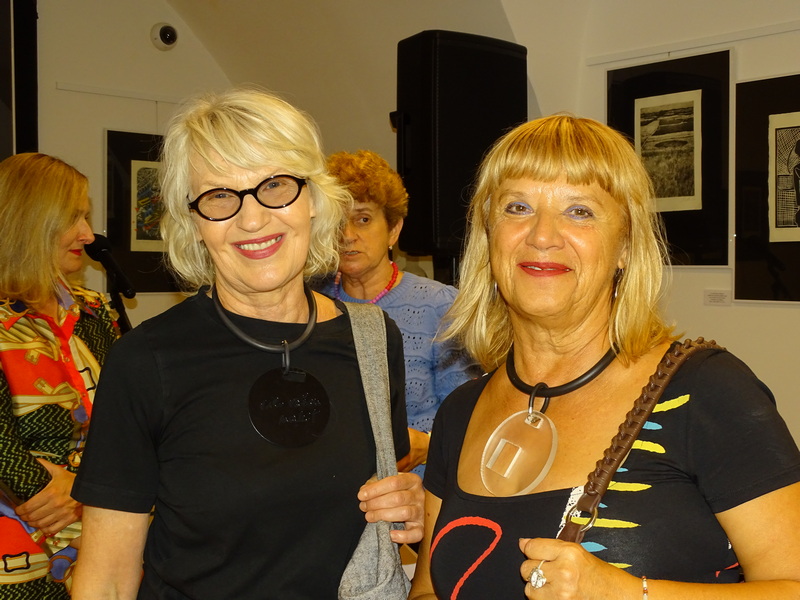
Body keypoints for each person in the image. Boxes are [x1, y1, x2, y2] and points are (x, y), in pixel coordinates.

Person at [409, 115, 800, 599]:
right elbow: (427, 590)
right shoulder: (461, 413)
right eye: (518, 207)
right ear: (489, 236)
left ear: (625, 247)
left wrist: (627, 593)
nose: (542, 235)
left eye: (579, 211)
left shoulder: (706, 392)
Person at [70, 87, 424, 600]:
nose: (252, 219)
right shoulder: (146, 362)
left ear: (314, 199)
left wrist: (408, 504)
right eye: (219, 196)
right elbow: (106, 579)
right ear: (193, 222)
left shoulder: (372, 340)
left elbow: (373, 502)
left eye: (275, 185)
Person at [316, 150, 481, 474]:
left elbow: (470, 418)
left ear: (393, 229)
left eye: (363, 219)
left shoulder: (439, 305)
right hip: (334, 485)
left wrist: (427, 446)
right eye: (336, 220)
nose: (347, 235)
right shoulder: (310, 302)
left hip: (419, 487)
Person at [0, 153, 119, 598]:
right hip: (16, 559)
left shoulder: (95, 313)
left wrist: (89, 490)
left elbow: (129, 419)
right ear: (29, 221)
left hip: (102, 538)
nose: (88, 235)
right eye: (74, 217)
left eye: (86, 217)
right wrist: (42, 490)